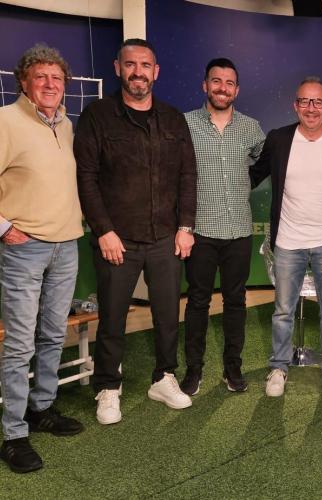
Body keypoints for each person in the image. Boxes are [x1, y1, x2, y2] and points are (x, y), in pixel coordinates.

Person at [74, 39, 197, 425]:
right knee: (113, 317)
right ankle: (108, 386)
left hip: (165, 237)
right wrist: (103, 230)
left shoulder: (173, 119)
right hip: (117, 240)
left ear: (155, 71)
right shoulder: (96, 116)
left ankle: (163, 377)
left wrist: (186, 227)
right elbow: (86, 177)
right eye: (131, 64)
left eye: (145, 65)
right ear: (118, 68)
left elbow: (188, 175)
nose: (138, 72)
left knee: (167, 314)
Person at [250, 77, 322, 399]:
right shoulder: (278, 139)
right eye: (304, 101)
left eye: (318, 102)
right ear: (295, 105)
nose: (311, 108)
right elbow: (253, 175)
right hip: (288, 241)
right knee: (283, 311)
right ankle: (278, 367)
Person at [0, 44, 84, 473]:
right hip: (24, 249)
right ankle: (14, 434)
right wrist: (3, 228)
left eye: (57, 78)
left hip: (66, 246)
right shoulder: (6, 121)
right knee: (19, 343)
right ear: (24, 82)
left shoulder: (66, 125)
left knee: (52, 334)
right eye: (41, 77)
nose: (50, 84)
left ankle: (42, 408)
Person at [180, 58, 265, 396]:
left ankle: (233, 369)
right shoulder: (185, 124)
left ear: (236, 90)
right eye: (216, 81)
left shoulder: (251, 128)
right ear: (205, 85)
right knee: (197, 302)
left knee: (235, 302)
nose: (222, 88)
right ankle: (194, 371)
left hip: (239, 231)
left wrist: (244, 184)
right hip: (200, 230)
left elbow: (261, 162)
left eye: (229, 83)